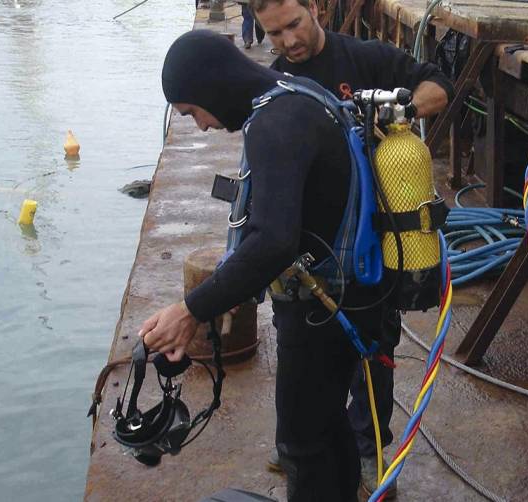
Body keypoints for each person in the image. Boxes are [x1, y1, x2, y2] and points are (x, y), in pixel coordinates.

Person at [143, 29, 376, 501]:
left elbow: (272, 240)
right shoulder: (295, 93)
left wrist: (191, 310)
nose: (201, 127)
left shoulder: (276, 124)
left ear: (211, 85)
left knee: (301, 443)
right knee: (329, 424)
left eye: (192, 112)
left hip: (321, 313)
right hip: (348, 297)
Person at [252, 0, 454, 497]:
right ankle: (297, 441)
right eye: (274, 34)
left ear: (316, 8)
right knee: (299, 354)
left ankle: (370, 451)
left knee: (372, 351)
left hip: (372, 246)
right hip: (312, 250)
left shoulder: (363, 60)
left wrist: (399, 108)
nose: (288, 42)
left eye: (294, 24)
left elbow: (438, 86)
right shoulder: (276, 85)